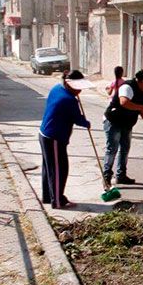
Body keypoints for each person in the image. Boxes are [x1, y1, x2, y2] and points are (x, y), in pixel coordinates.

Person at [39, 70, 92, 209]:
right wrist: (86, 123)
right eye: (77, 87)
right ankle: (57, 201)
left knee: (49, 168)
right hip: (54, 137)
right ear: (68, 84)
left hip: (45, 133)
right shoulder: (68, 100)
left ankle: (48, 197)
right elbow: (78, 119)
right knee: (59, 170)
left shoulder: (57, 88)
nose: (79, 91)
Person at [103, 70, 143, 185]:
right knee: (112, 149)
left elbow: (141, 111)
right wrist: (142, 107)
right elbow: (124, 102)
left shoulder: (141, 93)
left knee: (124, 150)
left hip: (127, 124)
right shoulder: (127, 87)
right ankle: (106, 177)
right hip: (114, 122)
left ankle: (121, 175)